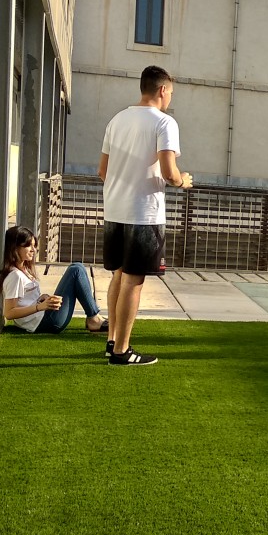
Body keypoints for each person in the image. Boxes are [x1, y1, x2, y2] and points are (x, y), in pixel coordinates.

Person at [97, 65, 194, 366]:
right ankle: (121, 351)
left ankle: (112, 340)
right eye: (170, 93)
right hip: (143, 213)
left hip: (114, 208)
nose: (170, 98)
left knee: (118, 274)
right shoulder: (165, 123)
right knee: (134, 280)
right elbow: (169, 171)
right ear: (162, 90)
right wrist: (182, 181)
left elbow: (102, 171)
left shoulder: (117, 120)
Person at [0, 226, 108, 334]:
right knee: (76, 269)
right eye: (28, 246)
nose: (33, 250)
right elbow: (9, 313)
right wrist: (39, 307)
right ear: (15, 248)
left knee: (77, 267)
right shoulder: (15, 276)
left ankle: (94, 317)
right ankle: (93, 318)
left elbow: (24, 301)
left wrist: (41, 299)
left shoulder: (24, 269)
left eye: (34, 245)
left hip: (44, 316)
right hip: (45, 322)